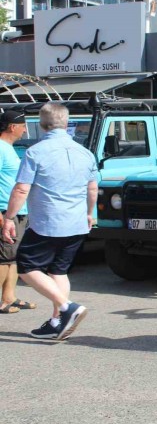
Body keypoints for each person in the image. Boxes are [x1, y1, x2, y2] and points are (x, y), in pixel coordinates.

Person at [1, 103, 97, 340]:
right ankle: (57, 321)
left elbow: (21, 189)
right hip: (76, 222)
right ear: (66, 123)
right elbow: (92, 188)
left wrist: (9, 218)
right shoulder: (85, 152)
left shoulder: (35, 152)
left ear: (42, 125)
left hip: (48, 222)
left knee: (26, 266)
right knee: (58, 270)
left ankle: (67, 307)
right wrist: (89, 213)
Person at [0, 111, 35, 314]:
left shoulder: (9, 148)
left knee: (13, 256)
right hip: (5, 211)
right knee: (4, 257)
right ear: (12, 127)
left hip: (16, 211)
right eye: (23, 126)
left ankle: (9, 297)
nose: (25, 130)